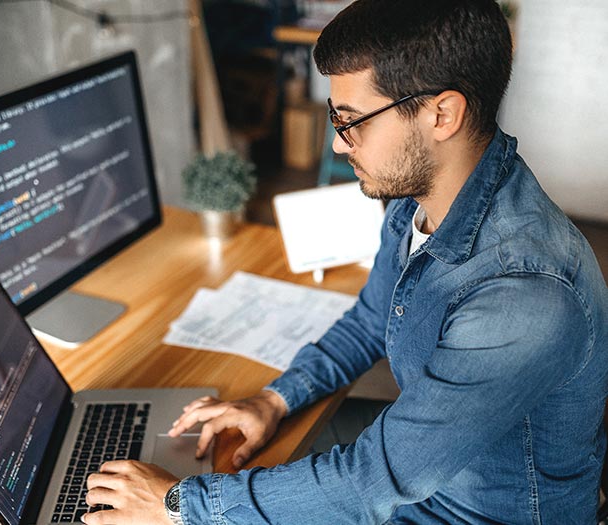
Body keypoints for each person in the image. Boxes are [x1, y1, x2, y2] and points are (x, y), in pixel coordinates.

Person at [82, 0, 608, 523]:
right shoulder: (422, 198)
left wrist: (179, 506)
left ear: (442, 114)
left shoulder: (525, 291)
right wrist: (275, 399)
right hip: (425, 481)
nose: (337, 142)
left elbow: (373, 480)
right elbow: (371, 319)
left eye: (354, 121)